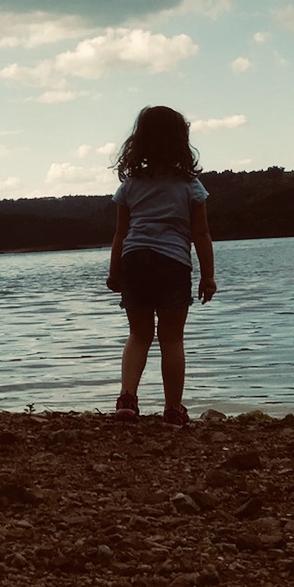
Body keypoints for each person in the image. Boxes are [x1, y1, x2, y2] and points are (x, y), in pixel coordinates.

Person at [105, 105, 216, 427]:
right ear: (182, 141)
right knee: (171, 338)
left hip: (135, 260)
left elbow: (121, 234)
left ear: (138, 143)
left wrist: (115, 272)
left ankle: (127, 398)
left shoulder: (130, 186)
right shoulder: (190, 186)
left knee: (138, 335)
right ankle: (173, 409)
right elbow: (201, 234)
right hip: (172, 263)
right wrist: (208, 276)